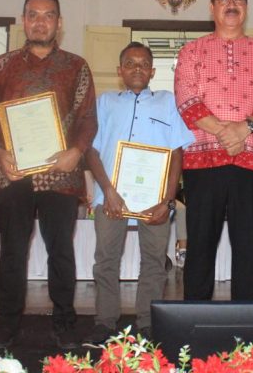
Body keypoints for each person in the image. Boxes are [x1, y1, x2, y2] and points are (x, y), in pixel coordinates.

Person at [0, 0, 97, 350]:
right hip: (14, 172)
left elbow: (88, 117)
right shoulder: (2, 65)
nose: (40, 22)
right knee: (12, 253)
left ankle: (65, 324)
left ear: (59, 22)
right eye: (33, 15)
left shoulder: (76, 66)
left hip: (61, 173)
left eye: (48, 15)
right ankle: (6, 328)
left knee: (61, 252)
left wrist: (76, 151)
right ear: (24, 21)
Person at [174, 0, 253, 301]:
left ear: (246, 7)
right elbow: (186, 100)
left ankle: (246, 321)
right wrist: (226, 131)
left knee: (248, 244)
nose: (231, 4)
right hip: (203, 162)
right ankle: (195, 319)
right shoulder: (191, 52)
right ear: (212, 7)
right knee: (200, 243)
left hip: (251, 162)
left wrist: (243, 128)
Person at [84, 42, 194, 344]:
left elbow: (177, 152)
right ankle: (105, 321)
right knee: (105, 260)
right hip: (110, 198)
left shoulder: (167, 102)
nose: (137, 68)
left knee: (154, 262)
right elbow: (91, 150)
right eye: (130, 63)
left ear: (152, 71)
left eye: (144, 64)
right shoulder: (105, 102)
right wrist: (108, 190)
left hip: (155, 200)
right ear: (120, 70)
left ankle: (147, 322)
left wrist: (167, 200)